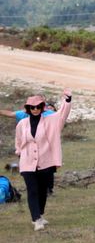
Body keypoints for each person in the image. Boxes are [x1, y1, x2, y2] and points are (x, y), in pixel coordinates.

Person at [15, 88, 72, 231]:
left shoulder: (51, 120)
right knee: (32, 190)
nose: (35, 109)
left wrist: (67, 100)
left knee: (42, 190)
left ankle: (40, 214)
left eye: (38, 107)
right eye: (32, 107)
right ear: (28, 109)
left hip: (46, 161)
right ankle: (36, 219)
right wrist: (19, 152)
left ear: (42, 107)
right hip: (27, 163)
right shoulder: (22, 124)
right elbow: (19, 140)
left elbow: (62, 115)